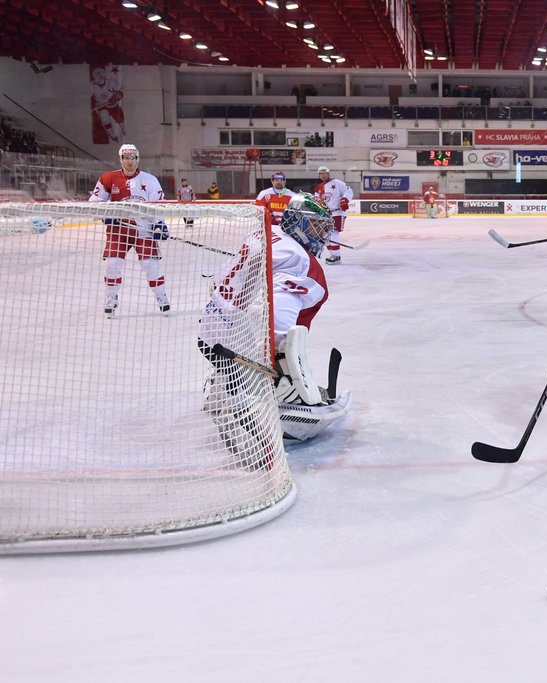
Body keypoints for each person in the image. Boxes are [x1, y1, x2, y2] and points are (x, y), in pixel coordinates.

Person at [198, 194, 349, 467]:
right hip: (238, 345)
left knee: (235, 350)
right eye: (315, 227)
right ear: (297, 223)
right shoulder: (301, 261)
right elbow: (277, 326)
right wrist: (285, 371)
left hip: (209, 331)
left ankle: (222, 387)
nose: (321, 236)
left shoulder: (267, 231)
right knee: (278, 356)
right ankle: (263, 400)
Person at [88, 143, 170, 317]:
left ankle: (161, 296)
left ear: (138, 158)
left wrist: (159, 224)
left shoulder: (149, 180)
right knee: (112, 264)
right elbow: (94, 203)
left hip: (144, 229)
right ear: (121, 159)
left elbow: (159, 205)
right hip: (118, 230)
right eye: (126, 157)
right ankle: (111, 298)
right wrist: (106, 215)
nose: (129, 161)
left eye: (133, 157)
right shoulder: (108, 178)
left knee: (150, 265)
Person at [313, 166, 352, 264]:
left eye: (324, 173)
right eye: (321, 174)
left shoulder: (337, 183)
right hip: (325, 214)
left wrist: (345, 199)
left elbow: (348, 190)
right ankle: (333, 254)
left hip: (337, 212)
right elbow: (316, 200)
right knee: (325, 235)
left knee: (334, 232)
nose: (323, 175)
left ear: (328, 173)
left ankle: (336, 256)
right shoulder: (318, 187)